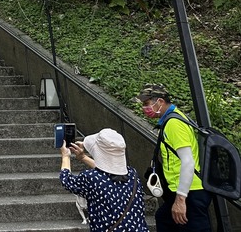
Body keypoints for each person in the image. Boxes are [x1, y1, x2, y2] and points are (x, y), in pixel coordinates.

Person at [137, 83, 212, 232]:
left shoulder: (174, 124)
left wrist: (181, 198)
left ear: (160, 101)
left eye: (146, 103)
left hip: (190, 192)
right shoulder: (173, 118)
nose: (144, 108)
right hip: (183, 190)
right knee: (163, 218)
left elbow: (188, 161)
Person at [59, 128, 148, 232]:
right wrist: (83, 157)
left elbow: (67, 180)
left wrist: (65, 156)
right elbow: (110, 171)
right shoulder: (133, 174)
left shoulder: (91, 178)